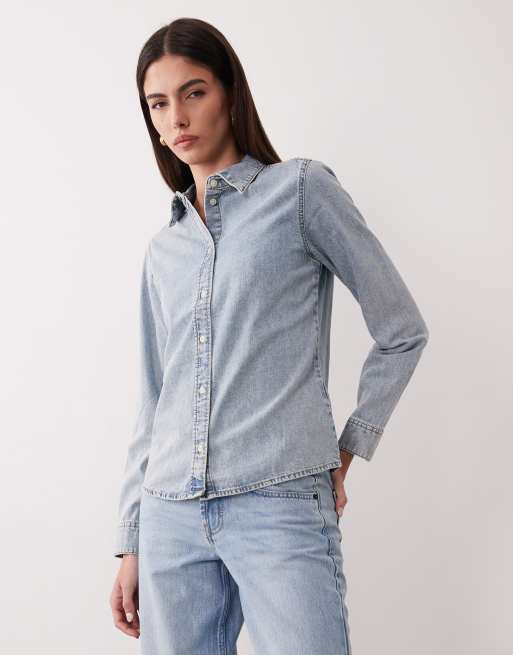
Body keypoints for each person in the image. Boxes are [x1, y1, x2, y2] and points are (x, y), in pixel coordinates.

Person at [109, 17, 429, 655]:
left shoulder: (300, 191)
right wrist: (131, 539)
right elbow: (154, 400)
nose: (177, 118)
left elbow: (402, 329)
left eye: (194, 92)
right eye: (158, 103)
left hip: (279, 499)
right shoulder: (164, 249)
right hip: (169, 512)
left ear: (230, 92)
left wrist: (347, 448)